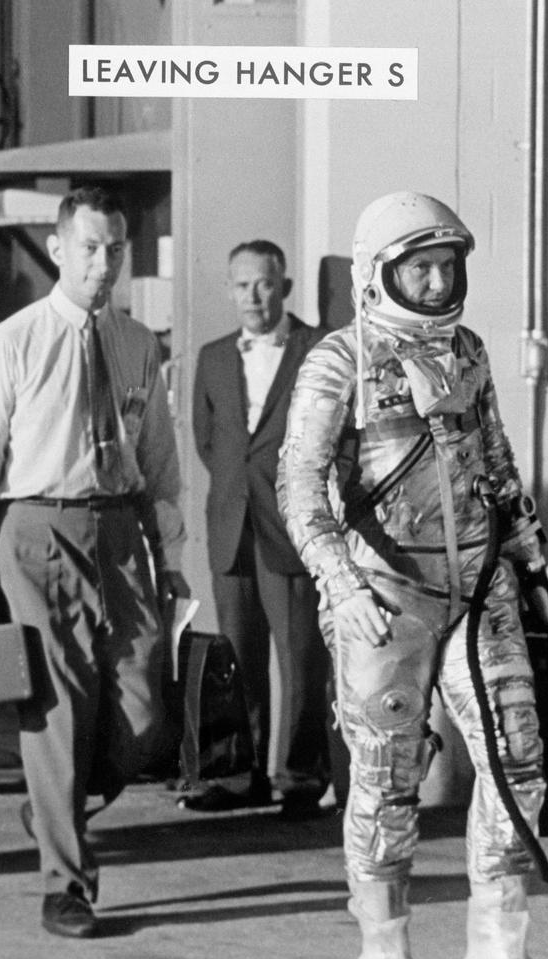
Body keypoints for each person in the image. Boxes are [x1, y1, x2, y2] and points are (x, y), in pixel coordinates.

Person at [277, 191, 548, 959]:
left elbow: (496, 459)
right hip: (385, 593)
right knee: (384, 779)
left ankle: (498, 947)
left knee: (517, 759)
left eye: (447, 266)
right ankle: (384, 950)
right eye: (421, 268)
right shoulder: (339, 361)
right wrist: (341, 585)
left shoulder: (466, 351)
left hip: (478, 582)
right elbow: (298, 487)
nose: (438, 283)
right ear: (381, 274)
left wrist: (531, 553)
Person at [0, 185, 188, 939]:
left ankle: (63, 798)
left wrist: (171, 557)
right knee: (57, 711)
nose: (104, 261)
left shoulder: (139, 343)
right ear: (57, 248)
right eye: (89, 246)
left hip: (119, 533)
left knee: (144, 707)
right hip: (36, 532)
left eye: (115, 246)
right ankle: (66, 886)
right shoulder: (11, 342)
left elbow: (161, 463)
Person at [188, 239, 333, 818]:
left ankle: (300, 777)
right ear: (229, 289)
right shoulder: (213, 356)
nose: (253, 295)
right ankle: (239, 776)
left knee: (301, 658)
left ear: (285, 287)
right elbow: (209, 440)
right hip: (231, 524)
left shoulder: (318, 348)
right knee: (237, 659)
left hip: (291, 527)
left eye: (265, 283)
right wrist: (238, 490)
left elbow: (338, 434)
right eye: (242, 284)